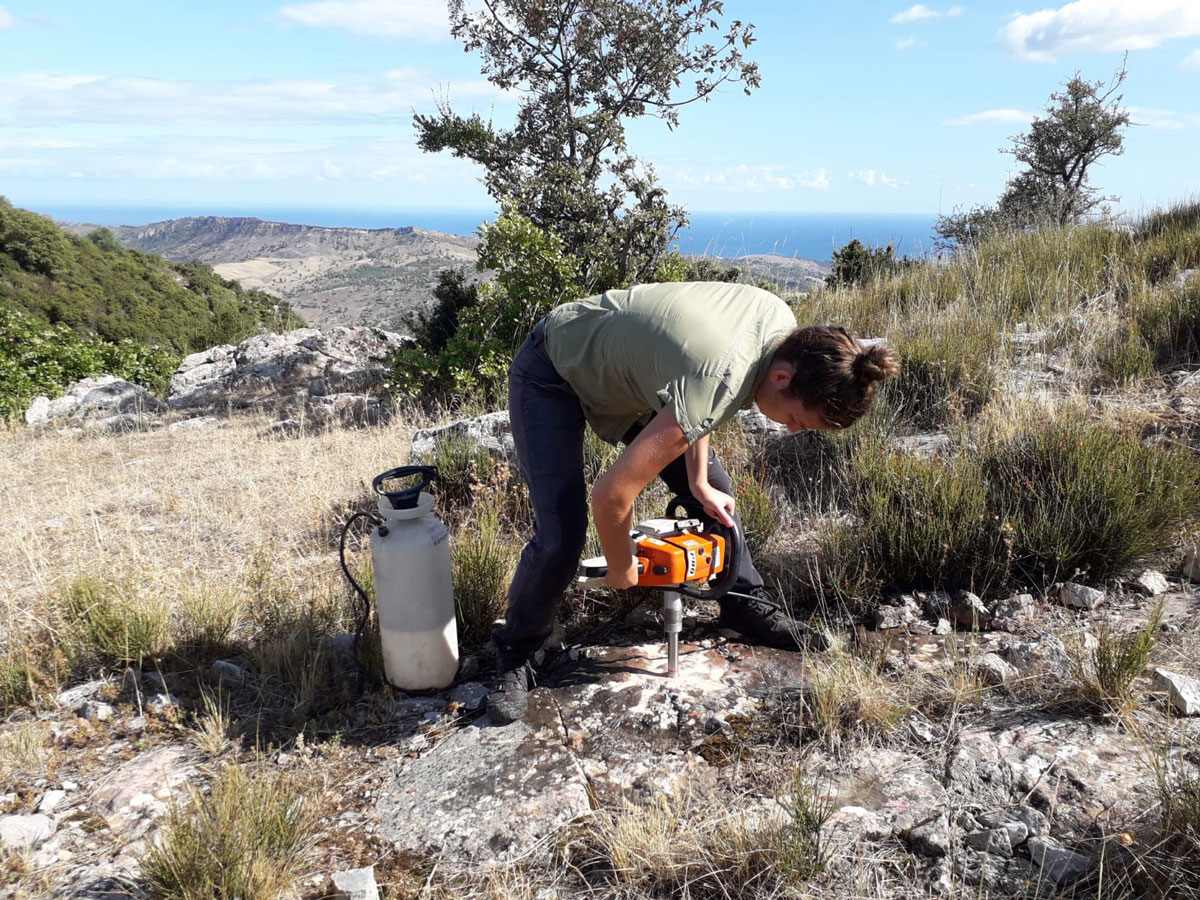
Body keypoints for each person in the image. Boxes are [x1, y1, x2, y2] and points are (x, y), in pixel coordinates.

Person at [486, 281, 899, 723]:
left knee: (717, 496)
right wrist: (621, 562)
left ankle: (742, 604)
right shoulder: (726, 371)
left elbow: (704, 400)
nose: (794, 431)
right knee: (562, 531)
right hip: (555, 369)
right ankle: (518, 648)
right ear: (782, 378)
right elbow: (612, 494)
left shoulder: (783, 331)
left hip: (634, 382)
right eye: (798, 419)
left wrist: (699, 481)